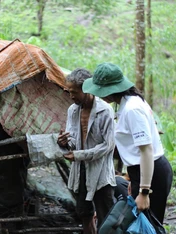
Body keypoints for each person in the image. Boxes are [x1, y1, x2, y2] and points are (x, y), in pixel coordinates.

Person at [82, 62, 173, 224]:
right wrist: (133, 179)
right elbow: (133, 148)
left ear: (109, 90)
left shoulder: (132, 109)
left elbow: (146, 150)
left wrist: (144, 191)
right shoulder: (129, 103)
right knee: (143, 224)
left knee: (147, 226)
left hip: (152, 173)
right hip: (143, 171)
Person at [57, 68, 117, 234]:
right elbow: (74, 142)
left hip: (101, 173)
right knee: (84, 213)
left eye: (74, 92)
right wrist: (64, 143)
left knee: (107, 216)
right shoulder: (73, 110)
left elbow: (107, 146)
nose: (71, 96)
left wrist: (78, 155)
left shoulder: (105, 111)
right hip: (80, 170)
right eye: (69, 92)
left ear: (87, 89)